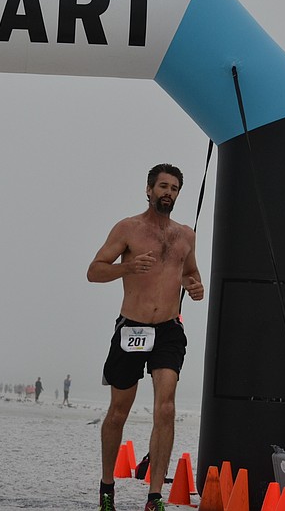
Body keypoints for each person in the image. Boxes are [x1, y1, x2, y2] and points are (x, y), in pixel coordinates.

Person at [87, 163, 204, 511]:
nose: (168, 193)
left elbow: (191, 271)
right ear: (149, 190)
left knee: (165, 409)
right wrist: (127, 267)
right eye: (163, 186)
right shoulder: (128, 228)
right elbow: (94, 271)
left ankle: (155, 497)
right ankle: (107, 488)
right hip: (132, 328)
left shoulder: (185, 235)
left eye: (174, 188)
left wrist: (194, 286)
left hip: (168, 329)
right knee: (118, 412)